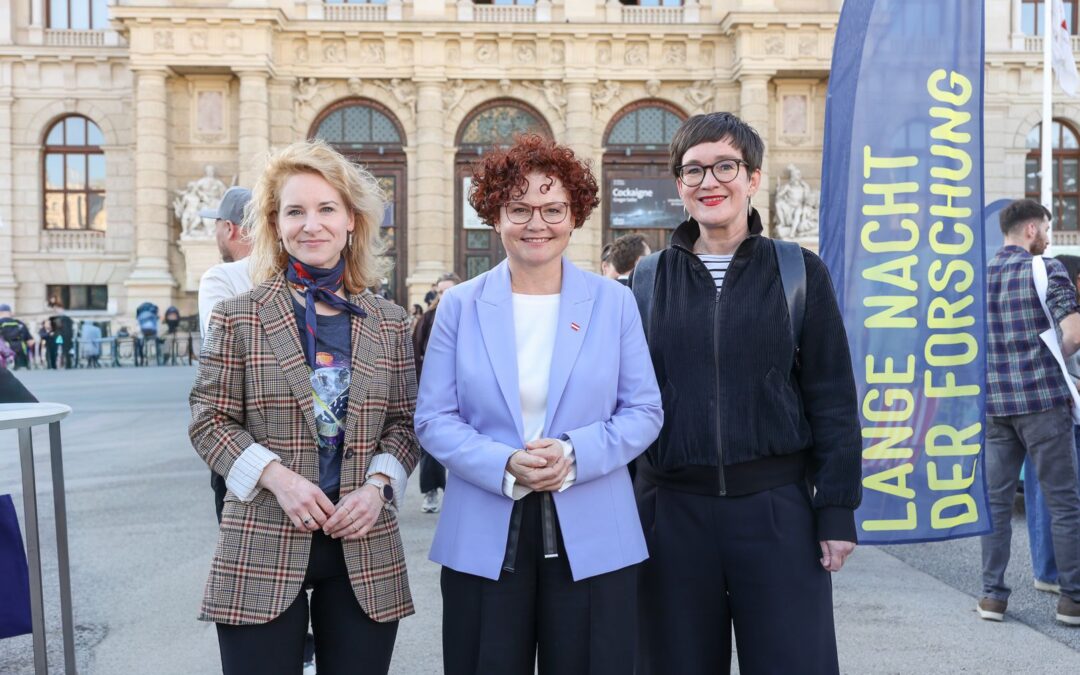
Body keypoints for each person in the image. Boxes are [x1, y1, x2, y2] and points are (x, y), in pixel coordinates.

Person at [415, 134, 663, 675]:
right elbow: (433, 418)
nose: (537, 223)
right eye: (519, 208)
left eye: (554, 209)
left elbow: (644, 409)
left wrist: (575, 454)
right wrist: (503, 462)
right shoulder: (458, 306)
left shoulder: (614, 301)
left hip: (597, 532)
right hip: (482, 532)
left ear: (575, 216)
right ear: (495, 214)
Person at [633, 112, 862, 674]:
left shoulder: (799, 272)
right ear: (678, 186)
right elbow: (625, 399)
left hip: (777, 511)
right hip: (672, 515)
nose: (709, 182)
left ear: (753, 178)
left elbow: (832, 394)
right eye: (693, 171)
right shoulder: (646, 279)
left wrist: (835, 509)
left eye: (725, 166)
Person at [189, 139, 419, 675]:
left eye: (326, 209)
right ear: (275, 223)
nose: (310, 225)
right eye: (295, 211)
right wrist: (278, 478)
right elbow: (208, 421)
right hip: (263, 538)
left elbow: (404, 424)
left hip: (362, 542)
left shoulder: (387, 321)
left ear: (352, 222)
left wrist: (377, 487)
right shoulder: (239, 316)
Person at [979, 198, 1080, 626]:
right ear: (1031, 231)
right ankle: (1072, 600)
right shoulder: (1047, 268)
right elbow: (1074, 331)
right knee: (1065, 503)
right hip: (1042, 404)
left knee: (995, 505)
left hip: (995, 406)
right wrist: (1053, 359)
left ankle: (992, 597)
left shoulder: (978, 278)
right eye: (1046, 229)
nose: (1049, 238)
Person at [197, 185, 255, 522]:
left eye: (217, 224)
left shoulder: (220, 277)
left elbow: (217, 353)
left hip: (236, 438)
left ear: (231, 228)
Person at [1023, 254, 1080, 595]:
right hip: (1058, 413)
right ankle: (1051, 572)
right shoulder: (1061, 317)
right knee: (1056, 497)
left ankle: (1049, 570)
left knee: (1046, 495)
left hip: (1039, 411)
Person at [411, 272, 461, 514]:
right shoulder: (428, 318)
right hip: (435, 390)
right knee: (430, 444)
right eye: (441, 292)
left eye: (449, 291)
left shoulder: (473, 314)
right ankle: (431, 491)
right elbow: (415, 353)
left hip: (468, 390)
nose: (445, 296)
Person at [0, 304, 34, 370]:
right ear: (10, 312)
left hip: (5, 353)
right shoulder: (19, 323)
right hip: (21, 350)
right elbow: (30, 341)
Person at [134, 301, 159, 366]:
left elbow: (137, 327)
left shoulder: (141, 316)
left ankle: (141, 357)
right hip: (152, 333)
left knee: (139, 340)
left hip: (143, 333)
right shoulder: (153, 315)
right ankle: (156, 357)